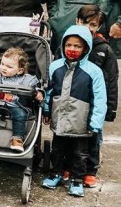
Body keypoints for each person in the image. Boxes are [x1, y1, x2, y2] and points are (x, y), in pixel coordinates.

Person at [41, 25, 106, 197]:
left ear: (86, 48)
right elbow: (49, 91)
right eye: (68, 45)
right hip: (60, 118)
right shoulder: (55, 67)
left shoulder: (94, 71)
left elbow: (100, 99)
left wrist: (96, 122)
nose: (72, 49)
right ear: (63, 45)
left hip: (82, 122)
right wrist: (47, 110)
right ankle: (56, 174)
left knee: (80, 153)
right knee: (58, 149)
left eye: (77, 46)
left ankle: (77, 180)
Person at [66, 5, 118, 187]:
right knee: (68, 134)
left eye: (93, 25)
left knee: (93, 136)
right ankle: (68, 165)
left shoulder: (104, 49)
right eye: (85, 22)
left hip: (94, 102)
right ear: (77, 21)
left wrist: (110, 108)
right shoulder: (68, 45)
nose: (88, 27)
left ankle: (90, 169)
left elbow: (111, 80)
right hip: (71, 101)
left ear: (99, 27)